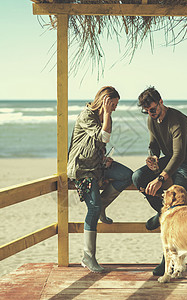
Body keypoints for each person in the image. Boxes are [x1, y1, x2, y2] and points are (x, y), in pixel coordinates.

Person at [132, 86, 187, 276]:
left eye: (153, 109)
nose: (150, 114)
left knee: (175, 205)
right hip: (169, 159)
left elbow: (180, 155)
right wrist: (153, 157)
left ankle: (168, 262)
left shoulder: (177, 120)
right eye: (146, 111)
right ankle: (162, 214)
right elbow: (153, 145)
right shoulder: (152, 119)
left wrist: (161, 178)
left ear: (161, 102)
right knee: (137, 177)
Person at [67, 86, 133, 273]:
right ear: (104, 101)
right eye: (113, 104)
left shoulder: (101, 117)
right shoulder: (87, 115)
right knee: (93, 208)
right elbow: (103, 137)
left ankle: (103, 204)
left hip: (98, 166)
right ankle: (88, 257)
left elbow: (99, 144)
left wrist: (104, 158)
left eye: (116, 105)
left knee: (127, 175)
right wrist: (106, 114)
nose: (115, 108)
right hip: (83, 169)